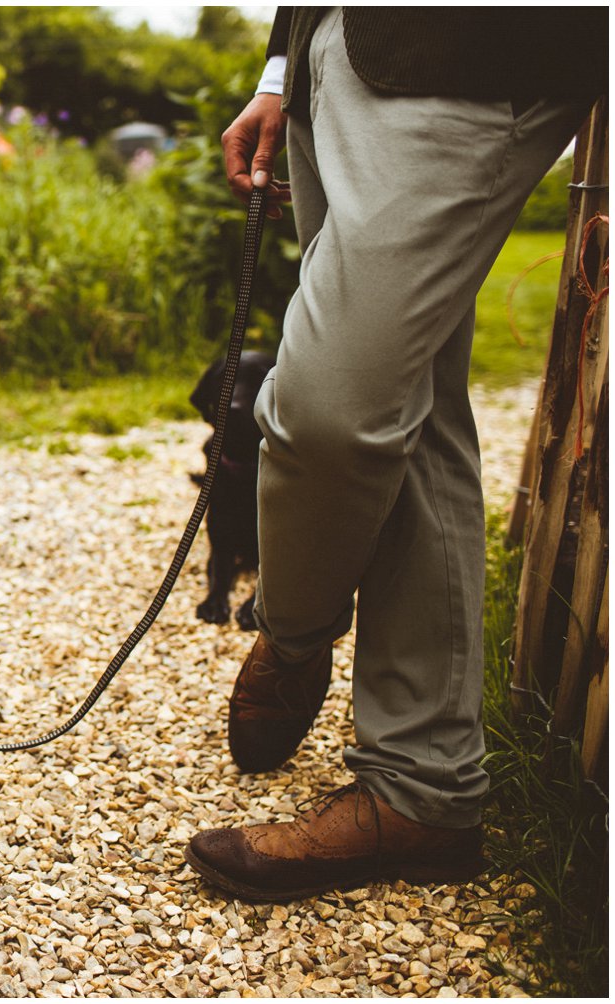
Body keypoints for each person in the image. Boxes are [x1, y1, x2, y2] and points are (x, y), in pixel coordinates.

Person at [183, 7, 606, 902]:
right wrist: (280, 69)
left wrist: (293, 620)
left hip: (477, 51)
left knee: (323, 410)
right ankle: (424, 790)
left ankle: (292, 634)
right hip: (334, 49)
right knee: (412, 410)